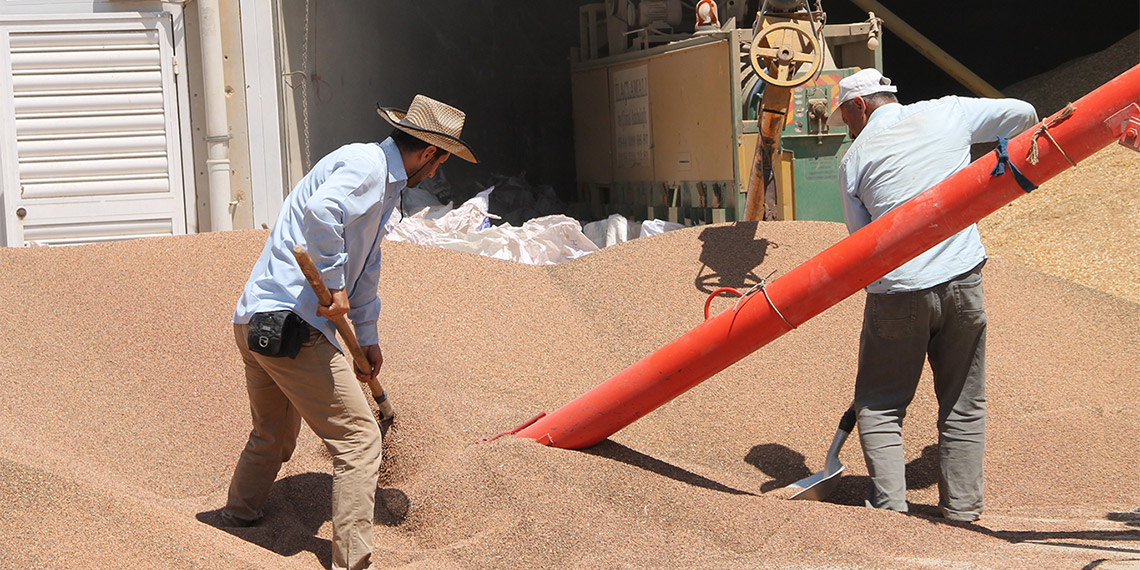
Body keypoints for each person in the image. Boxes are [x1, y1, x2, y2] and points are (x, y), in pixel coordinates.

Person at [221, 95, 477, 570]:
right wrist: (332, 285)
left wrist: (368, 333)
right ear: (428, 153)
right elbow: (322, 213)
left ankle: (238, 516)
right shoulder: (366, 165)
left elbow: (368, 264)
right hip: (291, 325)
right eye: (441, 161)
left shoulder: (382, 184)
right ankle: (353, 561)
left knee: (274, 434)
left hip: (258, 319)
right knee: (360, 440)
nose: (437, 173)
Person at [827, 69, 1037, 522]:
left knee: (880, 405)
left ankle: (890, 511)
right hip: (964, 281)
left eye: (844, 115)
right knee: (963, 400)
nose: (846, 126)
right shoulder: (948, 112)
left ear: (860, 106)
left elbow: (862, 242)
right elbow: (1024, 114)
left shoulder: (853, 160)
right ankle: (962, 510)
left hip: (897, 293)